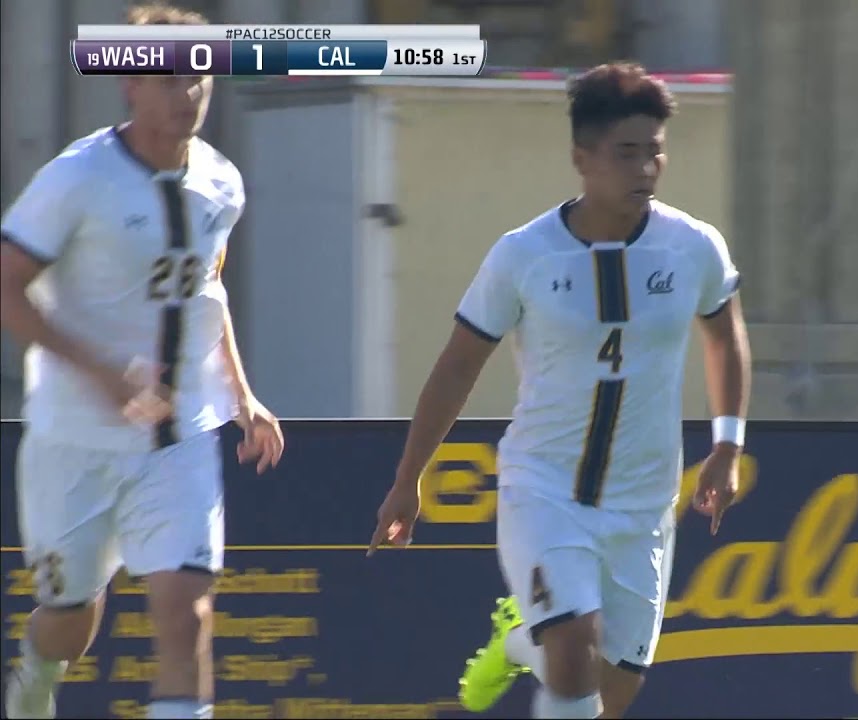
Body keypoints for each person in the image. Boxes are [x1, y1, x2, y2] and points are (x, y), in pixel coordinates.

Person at [368, 62, 752, 719]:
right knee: (573, 655)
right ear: (582, 157)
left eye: (655, 151)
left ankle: (521, 640)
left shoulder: (693, 247)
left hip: (643, 504)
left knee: (612, 691)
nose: (646, 168)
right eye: (626, 152)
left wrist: (727, 444)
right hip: (546, 490)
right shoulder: (525, 254)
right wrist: (409, 479)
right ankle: (543, 637)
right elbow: (457, 366)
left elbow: (725, 336)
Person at [0, 4, 284, 719]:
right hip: (74, 439)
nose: (186, 94)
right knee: (70, 621)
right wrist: (99, 370)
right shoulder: (80, 177)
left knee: (186, 615)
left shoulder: (222, 182)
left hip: (178, 436)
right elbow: (6, 285)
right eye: (167, 79)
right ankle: (36, 674)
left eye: (198, 79)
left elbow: (206, 292)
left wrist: (243, 395)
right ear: (130, 84)